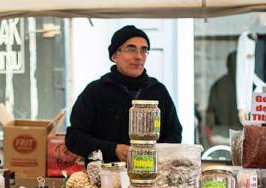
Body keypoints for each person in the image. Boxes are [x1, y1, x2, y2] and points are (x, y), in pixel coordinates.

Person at [65, 25, 182, 163]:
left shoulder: (158, 91)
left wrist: (154, 153)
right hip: (105, 179)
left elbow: (174, 134)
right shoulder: (95, 91)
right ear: (115, 55)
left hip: (150, 178)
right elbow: (74, 138)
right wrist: (113, 149)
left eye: (144, 50)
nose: (139, 56)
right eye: (131, 49)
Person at [205, 51, 242, 144]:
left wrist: (210, 134)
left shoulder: (218, 84)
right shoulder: (247, 86)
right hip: (241, 133)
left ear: (227, 64)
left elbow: (210, 114)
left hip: (221, 134)